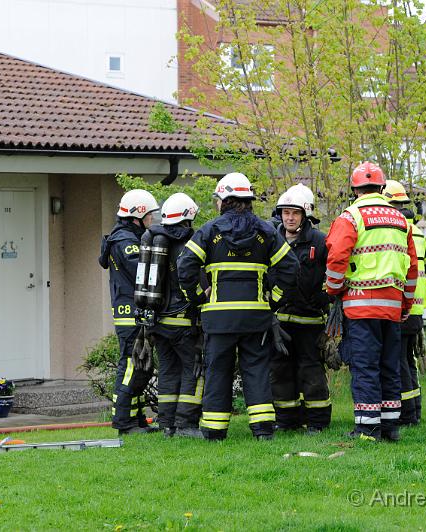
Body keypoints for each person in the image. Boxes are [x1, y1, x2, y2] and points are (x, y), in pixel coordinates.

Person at [177, 172, 299, 441]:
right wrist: (273, 300)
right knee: (256, 369)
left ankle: (214, 430)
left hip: (218, 318)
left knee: (217, 370)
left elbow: (184, 265)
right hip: (256, 317)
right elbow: (291, 267)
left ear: (224, 200)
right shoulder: (266, 231)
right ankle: (263, 430)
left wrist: (198, 296)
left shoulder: (209, 231)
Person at [325, 162, 418, 442]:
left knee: (365, 366)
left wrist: (334, 290)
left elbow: (337, 258)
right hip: (391, 307)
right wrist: (405, 306)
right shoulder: (401, 220)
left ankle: (367, 429)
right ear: (381, 187)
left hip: (360, 306)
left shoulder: (350, 217)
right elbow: (412, 268)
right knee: (390, 365)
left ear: (354, 189)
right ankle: (390, 428)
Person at [270, 184, 331, 434]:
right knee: (281, 370)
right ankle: (286, 421)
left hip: (309, 320)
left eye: (295, 213)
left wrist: (324, 299)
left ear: (305, 215)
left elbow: (334, 272)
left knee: (311, 370)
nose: (290, 217)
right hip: (280, 320)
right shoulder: (272, 238)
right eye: (285, 212)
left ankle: (316, 422)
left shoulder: (320, 240)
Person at [99, 189, 161, 435]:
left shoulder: (127, 237)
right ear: (137, 215)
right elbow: (142, 273)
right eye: (149, 216)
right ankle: (123, 422)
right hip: (130, 314)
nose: (151, 221)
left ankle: (136, 420)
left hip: (135, 313)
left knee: (141, 368)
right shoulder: (125, 241)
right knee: (130, 368)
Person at [383, 180, 426, 427]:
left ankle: (406, 415)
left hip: (399, 306)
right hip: (416, 308)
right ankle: (414, 410)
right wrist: (424, 288)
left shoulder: (393, 230)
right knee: (408, 359)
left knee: (398, 362)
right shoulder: (417, 232)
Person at [149, 193, 205, 439]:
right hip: (184, 322)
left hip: (159, 322)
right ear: (188, 217)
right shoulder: (189, 245)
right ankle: (186, 425)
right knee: (193, 370)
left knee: (168, 372)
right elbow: (195, 283)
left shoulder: (156, 242)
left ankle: (166, 425)